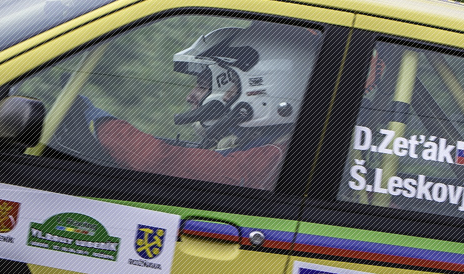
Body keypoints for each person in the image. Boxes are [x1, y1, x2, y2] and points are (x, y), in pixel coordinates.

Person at [54, 22, 319, 190]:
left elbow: (158, 160)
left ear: (259, 89)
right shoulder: (259, 144)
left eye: (203, 86)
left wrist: (96, 120)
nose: (190, 96)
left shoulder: (274, 158)